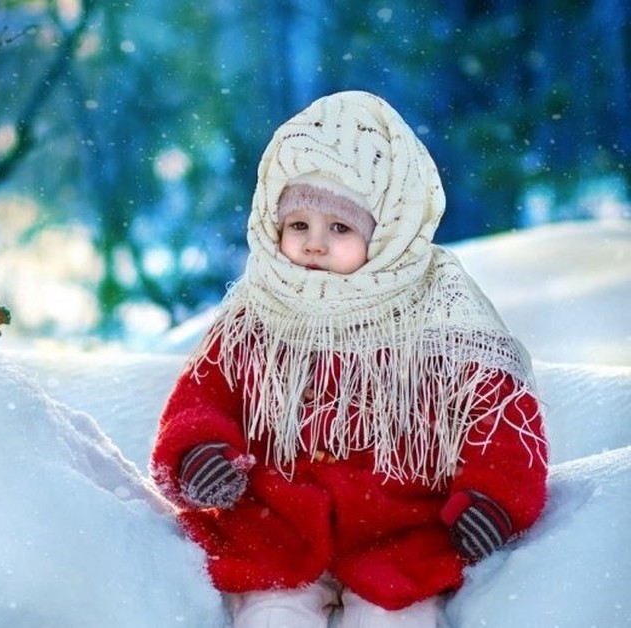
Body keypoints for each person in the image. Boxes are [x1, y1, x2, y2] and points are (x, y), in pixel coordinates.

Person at [149, 90, 549, 628]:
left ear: (383, 234)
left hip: (400, 536)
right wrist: (201, 453)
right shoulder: (259, 314)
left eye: (339, 228)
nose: (314, 244)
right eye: (298, 226)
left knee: (392, 618)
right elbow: (204, 395)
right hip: (277, 527)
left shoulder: (438, 316)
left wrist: (492, 499)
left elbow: (499, 418)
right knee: (273, 614)